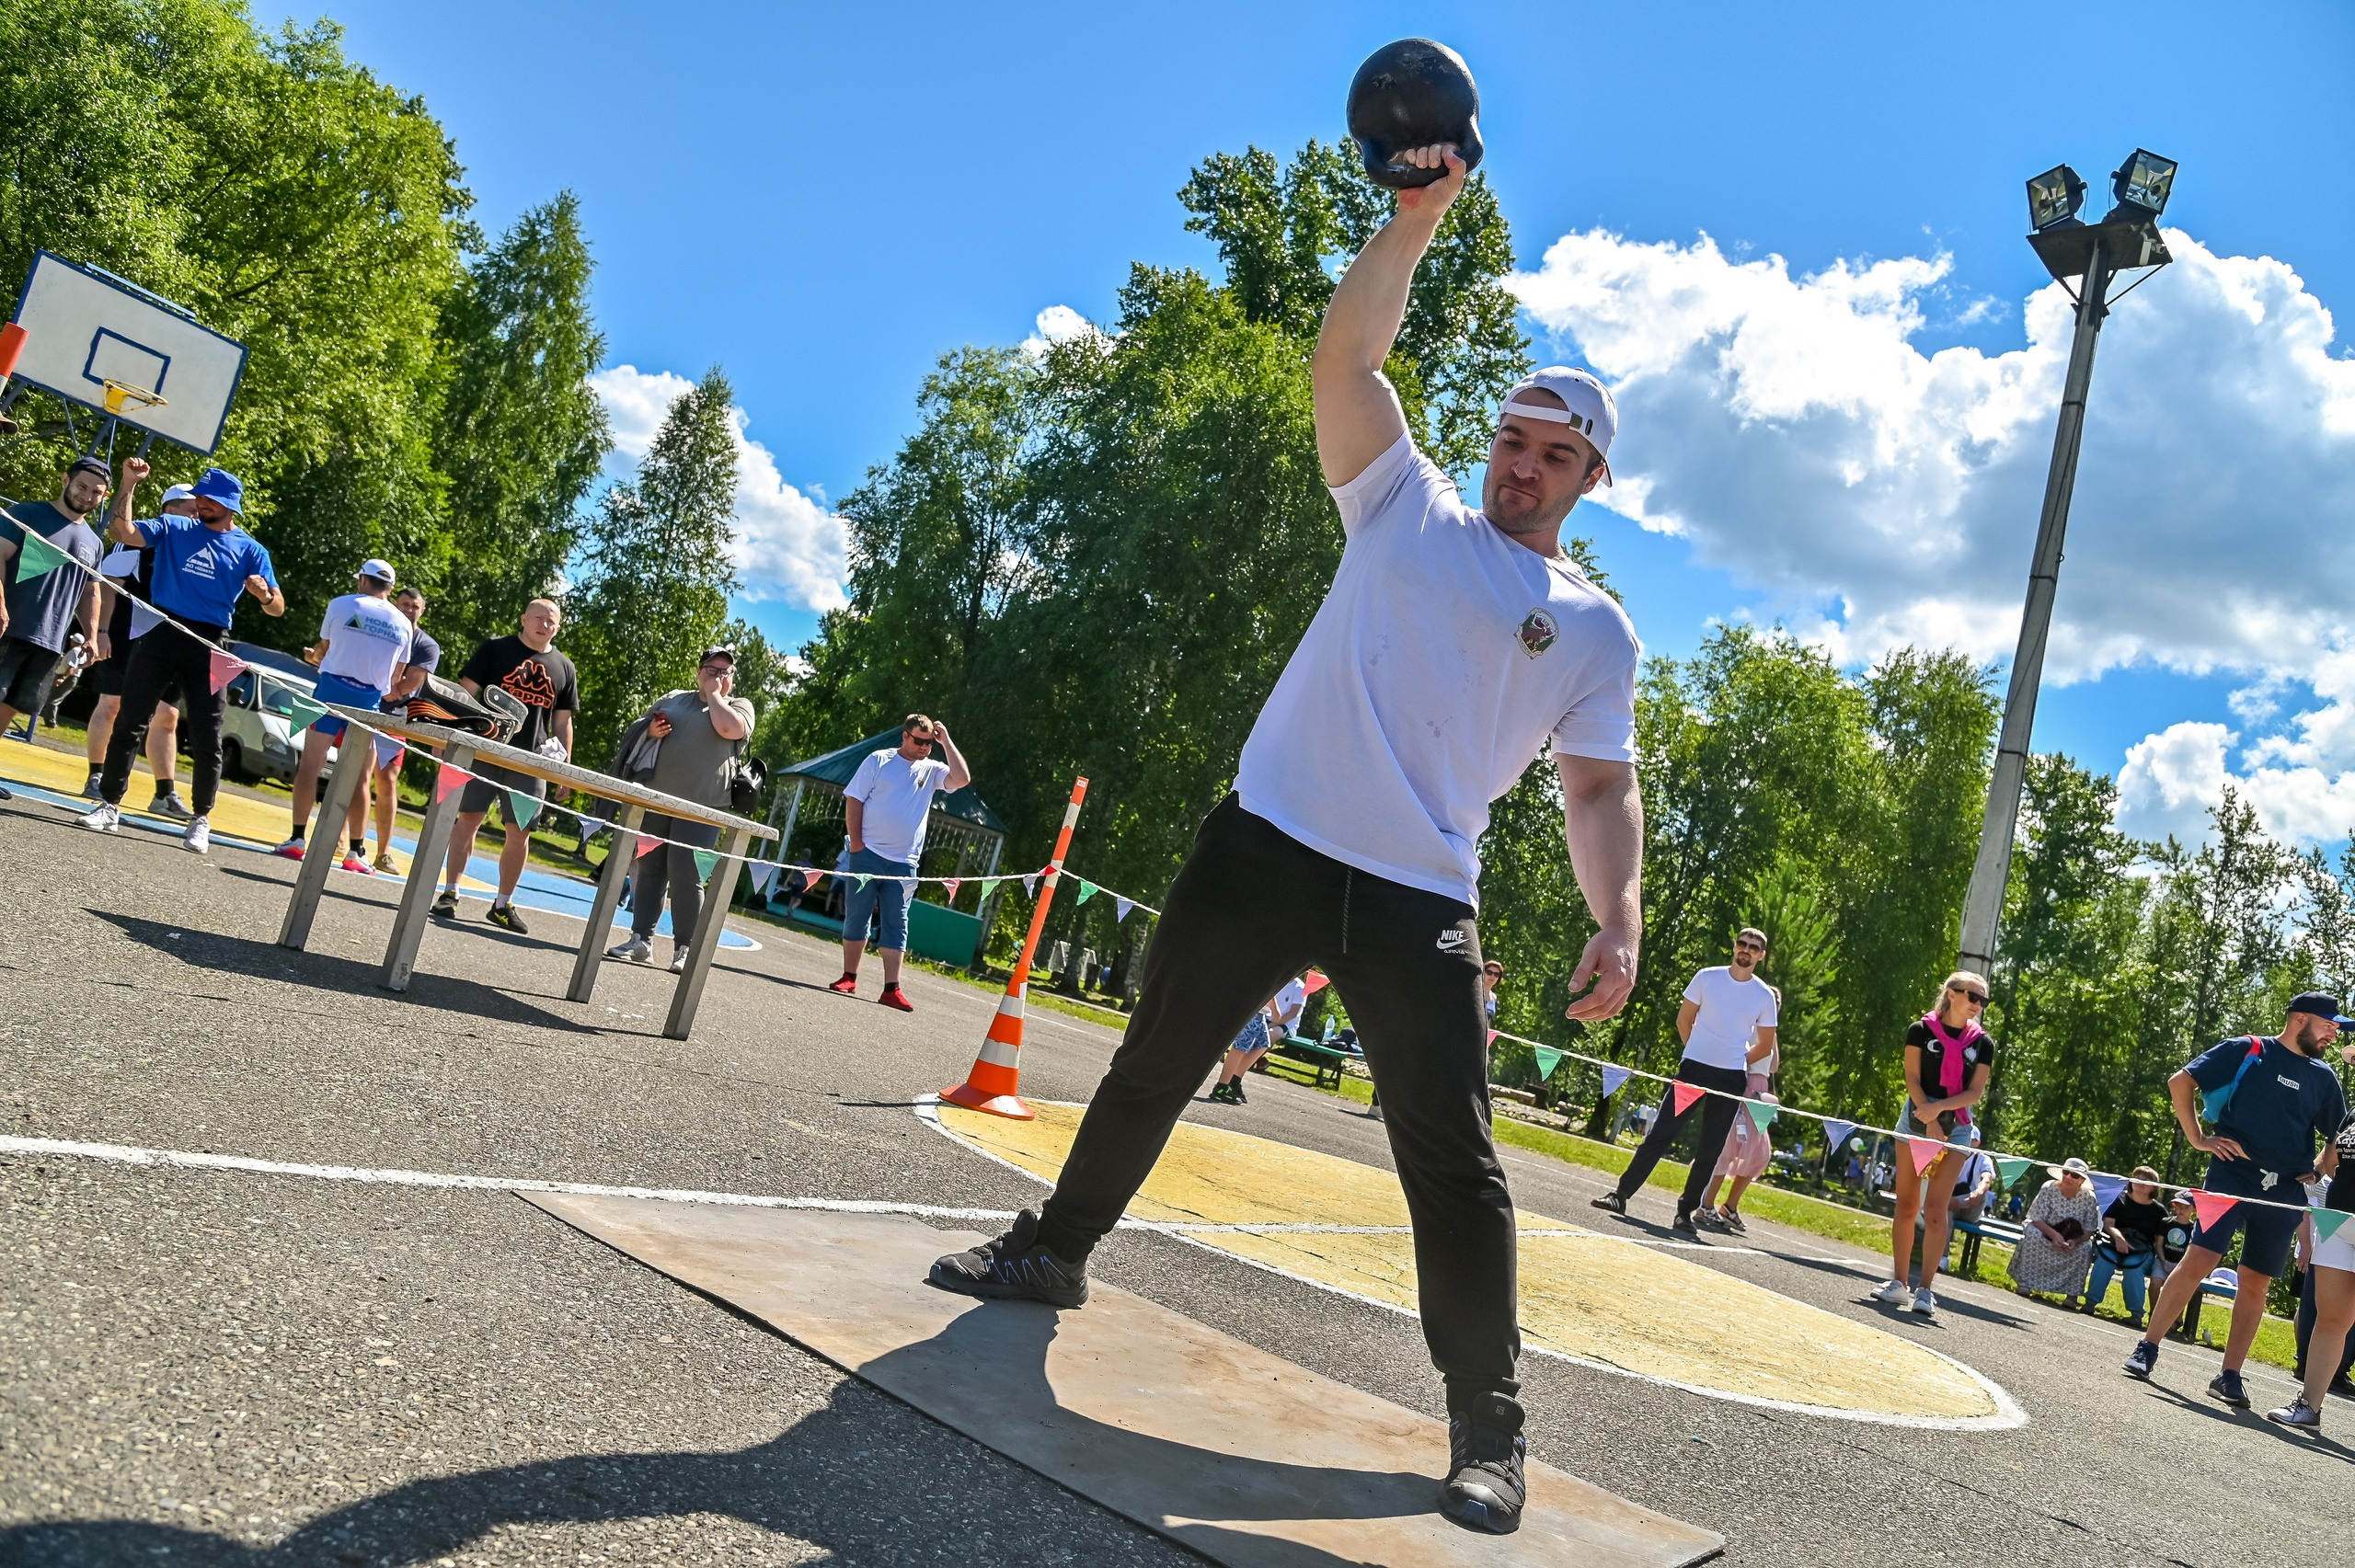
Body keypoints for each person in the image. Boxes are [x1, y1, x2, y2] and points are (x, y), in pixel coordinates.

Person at [929, 143, 1645, 1537]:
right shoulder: (1402, 504)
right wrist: (1417, 220)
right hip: (1267, 842)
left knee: (1454, 1157)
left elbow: (1598, 792)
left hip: (1420, 890)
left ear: (1591, 477)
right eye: (1512, 438)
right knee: (1153, 1061)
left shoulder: (1597, 627)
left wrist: (1615, 920)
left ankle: (1489, 1426)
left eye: (1556, 454)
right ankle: (1052, 1254)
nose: (1523, 466)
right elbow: (1346, 357)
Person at [2121, 993, 2348, 1407]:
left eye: (2337, 1027)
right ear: (2300, 1020)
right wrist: (2198, 1139)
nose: (2335, 1033)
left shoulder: (2324, 1077)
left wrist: (2317, 1168)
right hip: (2230, 1175)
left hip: (2284, 1193)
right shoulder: (2248, 1049)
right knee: (2200, 1260)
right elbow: (2180, 1081)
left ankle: (2229, 1375)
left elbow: (2340, 1135)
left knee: (2256, 1283)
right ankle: (2147, 1348)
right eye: (2329, 1024)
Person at [79, 460, 281, 853]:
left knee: (208, 734)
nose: (202, 503)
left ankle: (201, 819)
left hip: (211, 642)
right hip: (161, 628)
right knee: (132, 717)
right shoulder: (176, 527)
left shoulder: (252, 550)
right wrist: (127, 484)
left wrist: (264, 595)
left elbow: (277, 608)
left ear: (232, 505)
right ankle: (109, 805)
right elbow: (123, 531)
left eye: (211, 500)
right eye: (199, 497)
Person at [1595, 930, 1778, 1241]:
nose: (1746, 950)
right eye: (1742, 944)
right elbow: (1684, 1020)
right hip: (1693, 1070)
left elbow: (1765, 1046)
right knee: (1660, 1135)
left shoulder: (1763, 995)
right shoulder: (1707, 977)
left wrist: (1735, 1058)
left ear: (1761, 955)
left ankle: (1685, 1213)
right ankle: (1621, 1194)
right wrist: (1696, 1050)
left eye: (1753, 948)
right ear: (1734, 946)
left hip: (1730, 1079)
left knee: (1710, 1150)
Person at [603, 647, 755, 974]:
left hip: (704, 808)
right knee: (650, 870)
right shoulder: (673, 698)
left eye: (725, 672)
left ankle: (686, 948)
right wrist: (649, 731)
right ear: (698, 672)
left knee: (687, 876)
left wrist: (715, 697)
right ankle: (641, 940)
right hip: (657, 800)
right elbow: (639, 732)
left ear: (733, 678)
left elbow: (730, 730)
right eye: (711, 670)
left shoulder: (739, 706)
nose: (718, 676)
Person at [431, 600, 578, 933]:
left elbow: (563, 721)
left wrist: (566, 766)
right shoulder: (495, 649)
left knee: (520, 832)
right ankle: (450, 893)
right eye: (538, 617)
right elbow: (465, 694)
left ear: (558, 627)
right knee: (468, 819)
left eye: (551, 621)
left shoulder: (564, 667)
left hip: (531, 762)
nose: (544, 624)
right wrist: (450, 740)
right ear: (523, 618)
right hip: (484, 751)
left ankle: (501, 904)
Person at [1867, 971, 1995, 1318]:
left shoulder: (1982, 1043)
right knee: (1907, 1204)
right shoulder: (1920, 1030)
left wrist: (1938, 1113)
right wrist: (1929, 1119)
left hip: (1956, 1127)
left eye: (1983, 1000)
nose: (1978, 1005)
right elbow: (1911, 1077)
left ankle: (1926, 1290)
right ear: (1952, 994)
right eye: (1973, 997)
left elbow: (1975, 1093)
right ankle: (1898, 1284)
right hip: (1915, 1118)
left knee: (1937, 1208)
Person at [827, 714, 971, 1011]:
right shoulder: (879, 760)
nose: (924, 748)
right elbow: (854, 799)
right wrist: (856, 843)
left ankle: (892, 988)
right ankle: (849, 976)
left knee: (897, 922)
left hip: (905, 862)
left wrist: (947, 743)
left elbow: (962, 779)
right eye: (919, 741)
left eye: (929, 743)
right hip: (867, 854)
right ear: (905, 736)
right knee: (857, 916)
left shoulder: (932, 769)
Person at [274, 560, 412, 869]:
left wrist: (317, 657)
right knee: (360, 778)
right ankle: (356, 852)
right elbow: (395, 678)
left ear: (363, 580)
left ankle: (297, 839)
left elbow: (324, 648)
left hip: (330, 689)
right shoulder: (403, 623)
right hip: (369, 700)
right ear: (389, 589)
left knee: (310, 765)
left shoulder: (341, 604)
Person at [0, 454, 109, 799]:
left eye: (97, 492)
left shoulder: (94, 542)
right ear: (65, 481)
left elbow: (90, 590)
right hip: (8, 627)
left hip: (49, 639)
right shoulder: (28, 514)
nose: (87, 496)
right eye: (82, 486)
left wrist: (91, 635)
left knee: (12, 703)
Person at [82, 482, 193, 814]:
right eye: (188, 509)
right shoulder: (137, 540)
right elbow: (108, 588)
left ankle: (164, 794)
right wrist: (101, 632)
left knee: (168, 716)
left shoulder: (197, 547)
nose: (195, 516)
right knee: (113, 704)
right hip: (123, 635)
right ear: (168, 510)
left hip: (169, 641)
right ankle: (96, 776)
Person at [357, 585, 438, 872]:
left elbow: (407, 685)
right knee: (357, 774)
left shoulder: (426, 645)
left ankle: (384, 852)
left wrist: (392, 687)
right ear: (395, 602)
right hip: (366, 708)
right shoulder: (380, 627)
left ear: (422, 610)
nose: (409, 610)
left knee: (387, 779)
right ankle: (345, 839)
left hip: (396, 719)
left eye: (415, 606)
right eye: (404, 604)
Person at [1697, 984, 1781, 1235]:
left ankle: (1729, 1208)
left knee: (1759, 1154)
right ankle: (1706, 1205)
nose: (1774, 1006)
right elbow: (1741, 1057)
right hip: (1743, 1090)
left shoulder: (1770, 1032)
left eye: (1777, 1003)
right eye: (1771, 1001)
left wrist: (1772, 1039)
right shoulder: (1749, 1026)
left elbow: (1774, 1066)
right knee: (1728, 1150)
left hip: (1760, 1095)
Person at [1210, 971, 1308, 1104]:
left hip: (1263, 1016)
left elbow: (1285, 1011)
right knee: (1241, 1047)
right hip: (1255, 1013)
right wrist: (1275, 1010)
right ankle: (1221, 1087)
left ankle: (1234, 1080)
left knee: (1263, 1043)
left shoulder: (1297, 985)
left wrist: (1274, 1012)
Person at [2085, 1168, 2165, 1328]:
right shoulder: (2118, 1200)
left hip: (2142, 1252)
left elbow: (2159, 1240)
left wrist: (2163, 1261)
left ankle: (2136, 1314)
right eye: (2137, 1178)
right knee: (2105, 1261)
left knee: (2134, 1268)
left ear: (2154, 1187)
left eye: (2145, 1180)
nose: (2140, 1183)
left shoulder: (2159, 1211)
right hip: (2113, 1244)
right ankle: (2090, 1302)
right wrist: (2119, 1238)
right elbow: (2109, 1225)